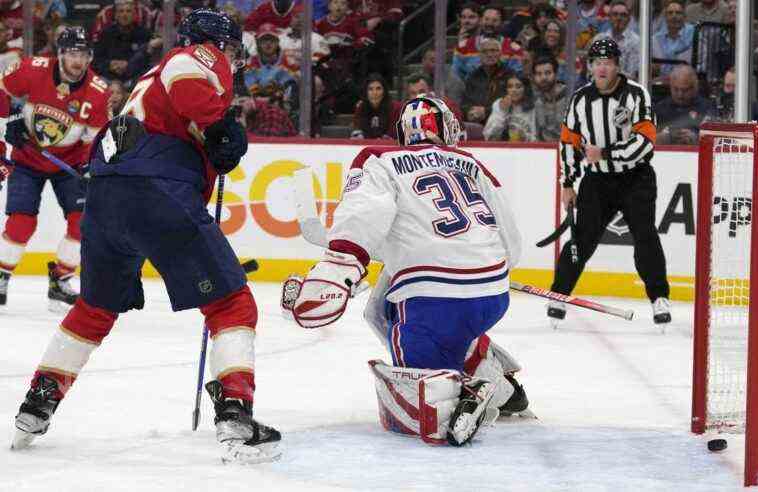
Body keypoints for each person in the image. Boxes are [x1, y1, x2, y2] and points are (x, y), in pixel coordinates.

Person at [10, 9, 281, 464]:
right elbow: (187, 78)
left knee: (94, 307)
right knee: (232, 303)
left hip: (104, 198)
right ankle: (235, 411)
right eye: (231, 49)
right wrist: (218, 126)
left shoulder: (145, 83)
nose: (233, 60)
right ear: (214, 42)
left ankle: (40, 399)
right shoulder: (194, 56)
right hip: (158, 190)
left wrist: (211, 141)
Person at [288, 94, 530, 447]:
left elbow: (366, 213)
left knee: (425, 402)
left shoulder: (380, 158)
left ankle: (475, 392)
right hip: (493, 292)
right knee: (383, 306)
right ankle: (507, 390)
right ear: (447, 128)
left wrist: (341, 261)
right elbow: (512, 242)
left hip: (434, 300)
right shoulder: (471, 162)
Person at [548, 38, 671, 327]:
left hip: (635, 178)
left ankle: (659, 298)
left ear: (617, 66)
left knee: (645, 237)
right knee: (581, 240)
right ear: (590, 67)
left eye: (608, 62)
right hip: (597, 181)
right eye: (597, 62)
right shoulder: (580, 99)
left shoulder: (637, 95)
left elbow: (645, 143)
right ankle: (558, 295)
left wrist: (605, 152)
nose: (602, 68)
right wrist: (567, 182)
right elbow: (568, 142)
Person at [0, 27, 111, 311]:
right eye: (73, 53)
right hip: (27, 158)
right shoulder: (32, 69)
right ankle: (1, 276)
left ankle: (60, 281)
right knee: (21, 223)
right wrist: (11, 119)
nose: (78, 61)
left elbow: (96, 141)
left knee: (81, 224)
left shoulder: (98, 92)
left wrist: (90, 167)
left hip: (69, 164)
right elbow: (2, 91)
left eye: (84, 54)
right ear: (60, 54)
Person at [655, 64, 714, 145]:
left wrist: (696, 138)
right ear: (670, 86)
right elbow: (644, 140)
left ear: (695, 87)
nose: (680, 95)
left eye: (685, 90)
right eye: (676, 89)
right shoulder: (659, 108)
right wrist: (665, 138)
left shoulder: (707, 108)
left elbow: (716, 140)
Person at [483, 73, 537, 142]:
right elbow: (489, 136)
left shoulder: (533, 106)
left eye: (518, 87)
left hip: (527, 149)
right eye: (510, 86)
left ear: (525, 89)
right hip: (501, 148)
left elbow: (536, 138)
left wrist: (525, 137)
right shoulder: (499, 104)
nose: (513, 90)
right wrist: (502, 111)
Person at [350, 73, 400, 139]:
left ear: (384, 91)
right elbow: (356, 131)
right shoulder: (361, 107)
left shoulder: (395, 108)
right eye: (370, 89)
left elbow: (393, 134)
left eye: (378, 89)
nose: (374, 93)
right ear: (366, 92)